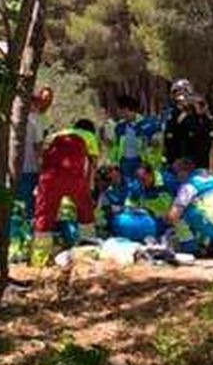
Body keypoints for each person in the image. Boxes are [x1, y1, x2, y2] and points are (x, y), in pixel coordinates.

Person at [31, 119, 101, 264]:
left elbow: (42, 158)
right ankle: (88, 252)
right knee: (85, 212)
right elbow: (93, 162)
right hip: (74, 177)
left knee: (44, 217)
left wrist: (41, 182)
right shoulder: (89, 135)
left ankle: (39, 260)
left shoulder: (54, 135)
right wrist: (90, 185)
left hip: (49, 178)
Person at [166, 157, 213, 256]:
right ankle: (207, 243)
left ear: (183, 172)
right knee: (200, 209)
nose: (175, 178)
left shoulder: (190, 184)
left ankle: (190, 247)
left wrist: (165, 223)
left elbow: (174, 214)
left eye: (175, 174)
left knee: (183, 212)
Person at [17, 87, 53, 223]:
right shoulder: (35, 119)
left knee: (17, 205)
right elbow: (38, 146)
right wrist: (42, 167)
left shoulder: (14, 117)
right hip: (30, 169)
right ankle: (29, 236)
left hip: (14, 168)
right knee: (30, 205)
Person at [105, 94, 160, 181]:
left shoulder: (146, 125)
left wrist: (149, 164)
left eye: (120, 110)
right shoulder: (119, 127)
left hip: (140, 163)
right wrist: (112, 162)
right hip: (124, 163)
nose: (118, 113)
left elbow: (155, 146)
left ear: (126, 110)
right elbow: (115, 147)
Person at [162, 79, 213, 172]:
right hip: (177, 157)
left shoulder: (198, 109)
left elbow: (207, 129)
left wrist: (199, 111)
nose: (180, 96)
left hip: (198, 158)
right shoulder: (172, 112)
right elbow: (169, 133)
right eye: (176, 93)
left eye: (183, 92)